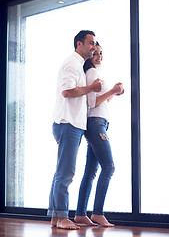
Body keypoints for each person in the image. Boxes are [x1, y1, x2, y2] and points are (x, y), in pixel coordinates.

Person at [47, 31, 102, 230]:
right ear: (79, 43)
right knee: (66, 172)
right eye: (90, 43)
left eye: (94, 43)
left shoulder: (78, 64)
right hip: (67, 123)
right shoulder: (72, 63)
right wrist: (92, 88)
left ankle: (55, 217)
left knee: (61, 172)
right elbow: (67, 92)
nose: (93, 47)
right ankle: (62, 217)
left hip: (72, 124)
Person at [74, 42, 124, 227]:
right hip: (96, 124)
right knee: (109, 168)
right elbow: (92, 103)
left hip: (98, 123)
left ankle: (80, 214)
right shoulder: (92, 73)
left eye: (101, 53)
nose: (99, 56)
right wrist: (111, 90)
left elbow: (100, 103)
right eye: (95, 53)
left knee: (90, 171)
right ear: (89, 55)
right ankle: (97, 213)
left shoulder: (95, 73)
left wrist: (113, 93)